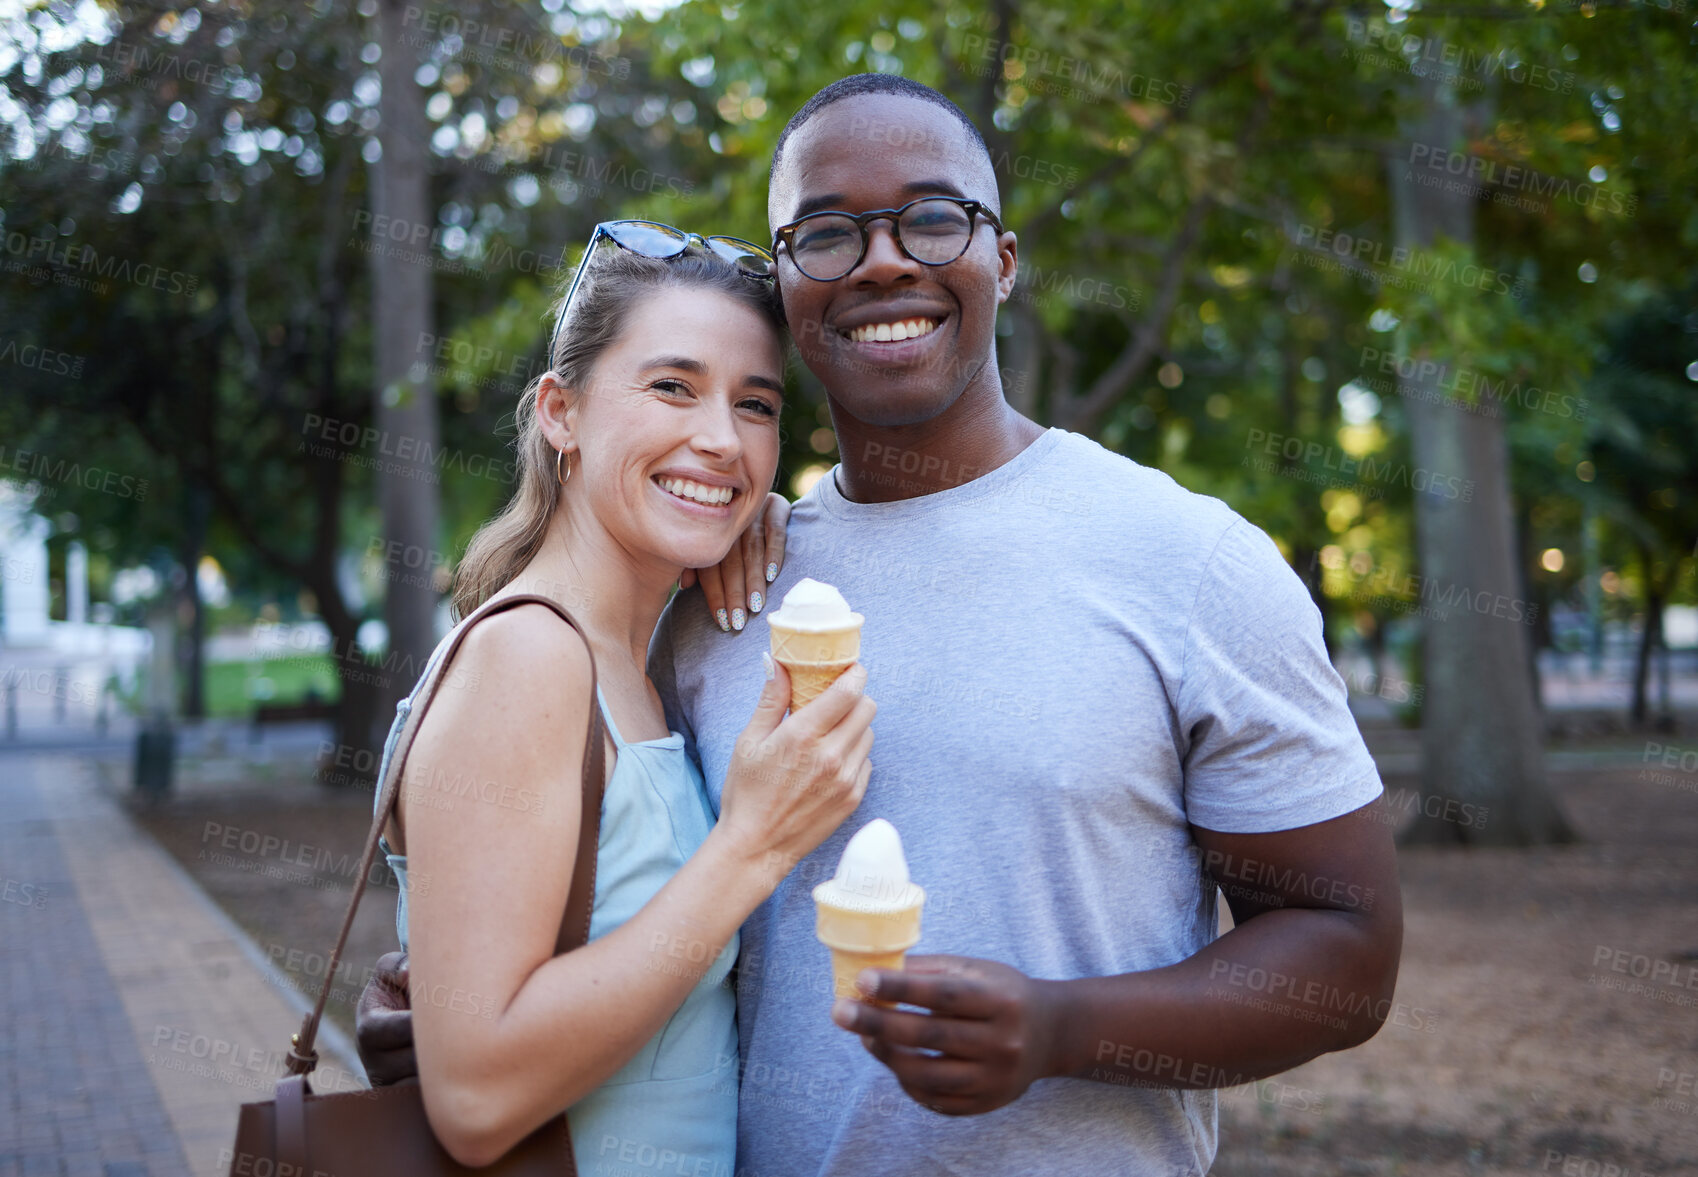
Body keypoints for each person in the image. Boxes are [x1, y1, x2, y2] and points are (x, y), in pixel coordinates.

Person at [363, 74, 1403, 1177]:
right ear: (792, 288)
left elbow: (1348, 956)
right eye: (826, 234)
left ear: (1002, 257)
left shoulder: (1191, 562)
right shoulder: (717, 596)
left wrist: (1062, 1027)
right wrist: (459, 992)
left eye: (934, 216)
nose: (883, 259)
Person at [366, 230, 877, 1173]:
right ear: (561, 412)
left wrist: (755, 519)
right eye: (672, 387)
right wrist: (754, 844)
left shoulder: (631, 666)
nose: (721, 437)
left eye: (754, 404)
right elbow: (475, 1095)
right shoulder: (527, 658)